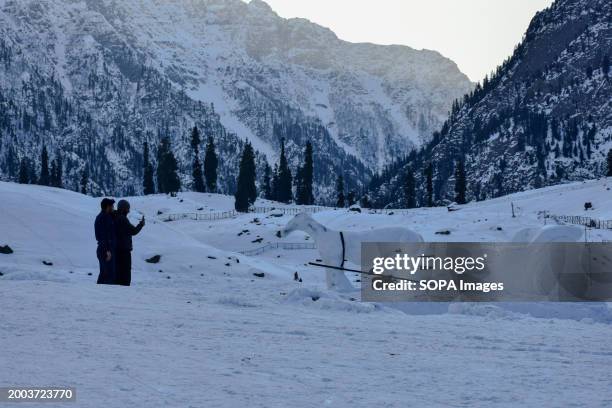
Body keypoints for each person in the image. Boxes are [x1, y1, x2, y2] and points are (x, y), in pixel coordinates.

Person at [114, 200, 145, 286]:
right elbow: (133, 231)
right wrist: (141, 224)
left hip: (117, 249)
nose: (129, 211)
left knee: (119, 272)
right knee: (125, 273)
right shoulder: (123, 219)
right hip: (124, 250)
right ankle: (125, 290)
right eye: (127, 208)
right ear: (124, 208)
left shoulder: (116, 216)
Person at [95, 198, 116, 284]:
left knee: (104, 273)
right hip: (105, 250)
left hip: (103, 248)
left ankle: (100, 293)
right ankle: (104, 295)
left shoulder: (103, 216)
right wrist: (107, 250)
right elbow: (104, 235)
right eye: (112, 206)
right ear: (108, 206)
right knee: (108, 274)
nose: (113, 208)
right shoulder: (104, 218)